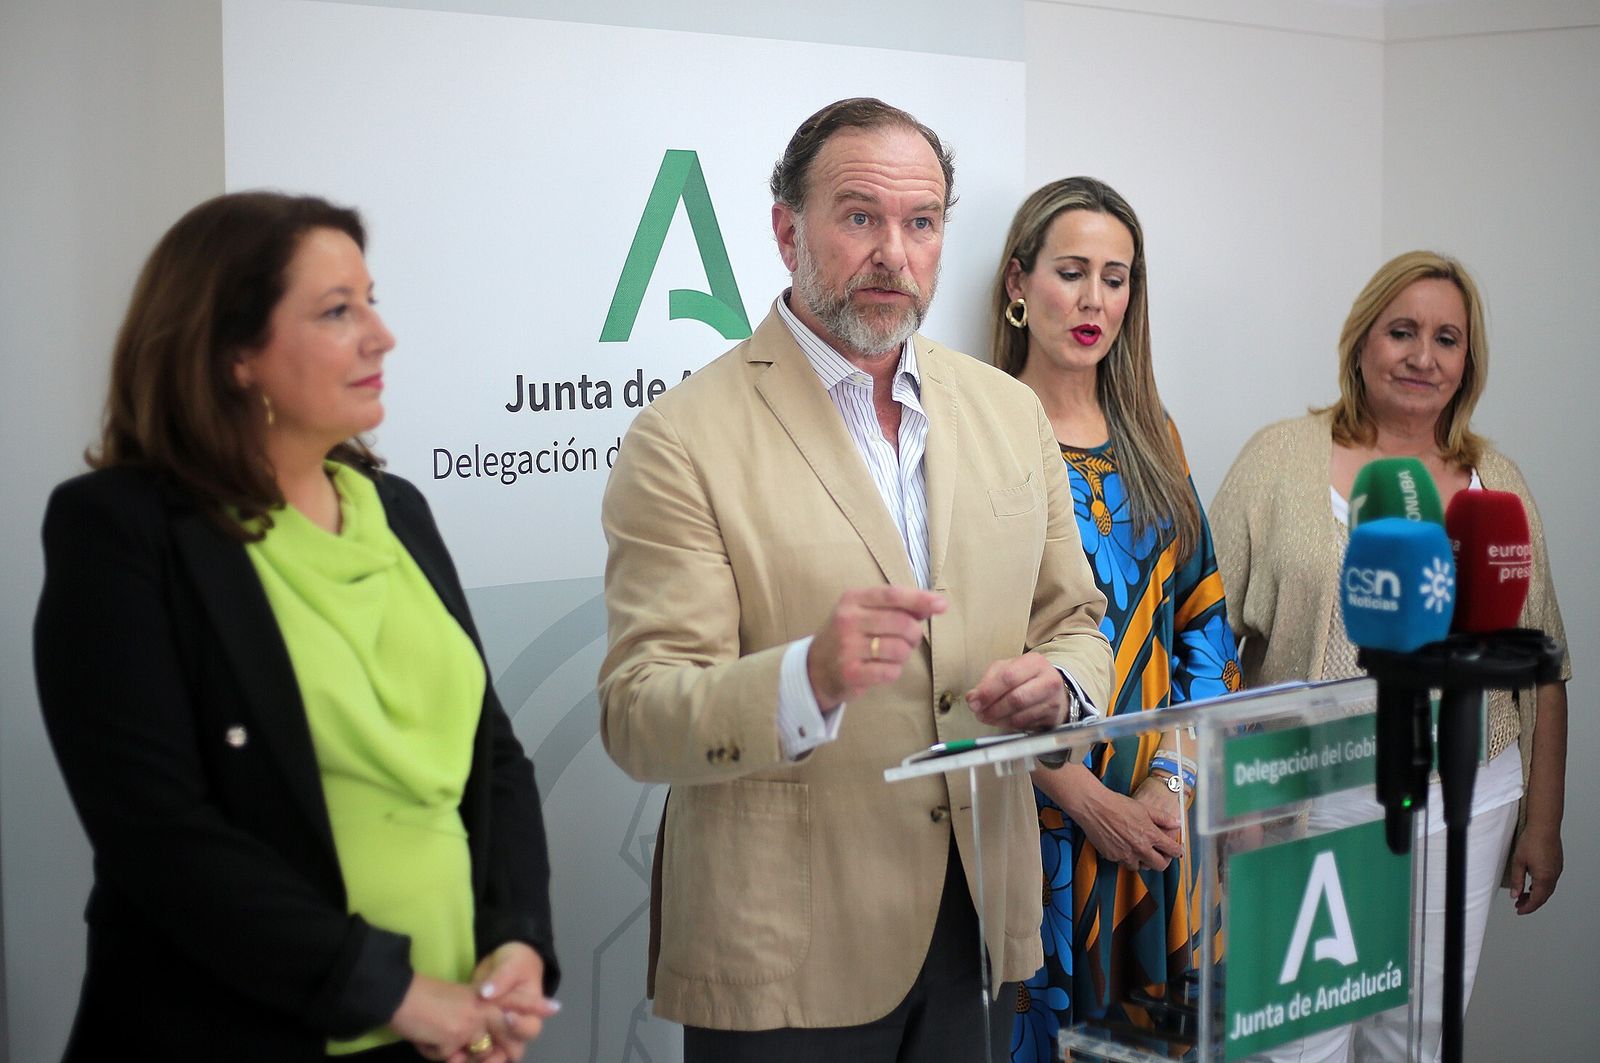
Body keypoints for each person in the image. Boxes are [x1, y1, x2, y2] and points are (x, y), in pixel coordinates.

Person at [597, 98, 1114, 1060]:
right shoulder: (683, 439)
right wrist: (807, 679)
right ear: (787, 229)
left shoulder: (1007, 411)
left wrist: (1066, 681)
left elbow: (1078, 618)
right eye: (860, 216)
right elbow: (639, 712)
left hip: (977, 921)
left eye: (921, 223)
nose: (895, 254)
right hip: (782, 950)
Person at [33, 192, 560, 1063]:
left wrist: (517, 942)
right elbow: (157, 832)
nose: (380, 335)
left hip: (454, 1026)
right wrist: (391, 990)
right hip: (243, 1031)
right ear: (233, 352)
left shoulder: (396, 509)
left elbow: (491, 756)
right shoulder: (121, 531)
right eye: (336, 311)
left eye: (371, 300)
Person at [1210, 250, 1569, 1061]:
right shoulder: (1278, 459)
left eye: (1447, 338)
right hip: (1309, 797)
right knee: (1296, 1039)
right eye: (1401, 330)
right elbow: (1205, 633)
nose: (1422, 355)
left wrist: (1541, 822)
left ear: (1467, 361)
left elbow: (1544, 667)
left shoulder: (1497, 484)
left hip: (1468, 800)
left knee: (1419, 1033)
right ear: (1361, 343)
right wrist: (1218, 795)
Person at [989, 177, 1242, 1058]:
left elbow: (1204, 625)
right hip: (1044, 834)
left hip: (1162, 837)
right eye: (1072, 271)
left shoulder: (1153, 433)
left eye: (1117, 276)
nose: (1096, 299)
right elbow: (966, 665)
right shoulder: (975, 435)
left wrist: (1165, 790)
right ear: (1018, 285)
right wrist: (1090, 800)